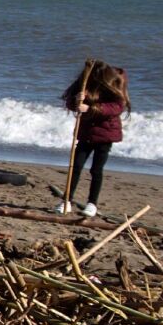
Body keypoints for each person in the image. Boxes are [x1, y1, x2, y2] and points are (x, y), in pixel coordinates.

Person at [58, 61, 129, 217]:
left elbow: (116, 108)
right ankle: (67, 200)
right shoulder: (83, 83)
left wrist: (90, 108)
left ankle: (92, 204)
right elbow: (70, 102)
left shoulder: (113, 84)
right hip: (86, 133)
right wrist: (76, 101)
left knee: (96, 170)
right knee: (76, 166)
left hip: (105, 135)